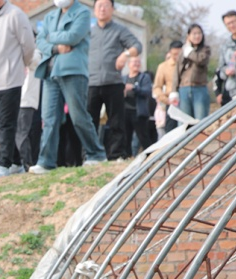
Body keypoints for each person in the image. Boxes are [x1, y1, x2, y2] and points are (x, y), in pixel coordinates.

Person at [32, 0, 106, 174]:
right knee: (49, 118)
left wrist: (50, 37)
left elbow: (73, 37)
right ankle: (46, 161)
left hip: (73, 70)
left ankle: (96, 154)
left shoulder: (82, 13)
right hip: (50, 70)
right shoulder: (50, 16)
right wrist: (56, 47)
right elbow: (40, 40)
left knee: (78, 116)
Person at [0, 0, 35, 178]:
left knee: (6, 123)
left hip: (10, 79)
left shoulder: (15, 15)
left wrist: (18, 65)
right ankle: (16, 162)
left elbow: (28, 45)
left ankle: (4, 163)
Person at [87, 0, 141, 161]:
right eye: (99, 5)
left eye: (106, 5)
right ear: (94, 9)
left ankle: (116, 154)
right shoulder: (88, 32)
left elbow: (137, 46)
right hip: (91, 83)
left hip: (113, 82)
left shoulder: (119, 30)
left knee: (116, 121)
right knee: (90, 122)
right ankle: (90, 155)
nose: (102, 9)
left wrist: (125, 54)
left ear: (112, 9)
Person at [15, 45, 43, 170]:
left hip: (26, 100)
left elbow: (32, 61)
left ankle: (26, 163)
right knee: (18, 133)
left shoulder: (36, 54)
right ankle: (21, 162)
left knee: (22, 133)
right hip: (15, 98)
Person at [178, 24, 212, 120]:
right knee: (184, 120)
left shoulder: (205, 49)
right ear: (188, 36)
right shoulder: (183, 50)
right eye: (194, 33)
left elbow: (200, 60)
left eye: (199, 33)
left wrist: (189, 51)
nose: (197, 36)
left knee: (200, 120)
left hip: (199, 88)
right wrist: (173, 91)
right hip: (184, 88)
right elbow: (177, 70)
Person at [122, 54, 154, 154]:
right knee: (125, 137)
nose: (136, 64)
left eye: (138, 62)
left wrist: (134, 88)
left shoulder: (144, 77)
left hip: (138, 112)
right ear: (129, 64)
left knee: (143, 136)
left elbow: (147, 91)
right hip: (125, 111)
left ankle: (150, 155)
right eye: (134, 62)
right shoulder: (123, 78)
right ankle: (126, 156)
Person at [153, 40, 181, 134]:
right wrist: (166, 100)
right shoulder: (163, 67)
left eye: (179, 54)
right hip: (172, 102)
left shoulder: (188, 64)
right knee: (171, 132)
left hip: (186, 100)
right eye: (174, 54)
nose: (177, 57)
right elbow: (157, 87)